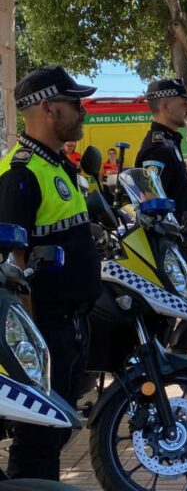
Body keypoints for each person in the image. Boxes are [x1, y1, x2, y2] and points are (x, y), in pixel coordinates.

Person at [0, 66, 102, 480]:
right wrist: (34, 343)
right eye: (75, 103)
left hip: (72, 324)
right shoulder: (21, 173)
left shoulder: (58, 165)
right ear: (47, 107)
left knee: (55, 432)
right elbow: (13, 267)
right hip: (48, 328)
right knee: (37, 443)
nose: (83, 111)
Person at [134, 78, 187, 219]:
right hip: (173, 232)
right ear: (165, 107)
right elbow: (152, 204)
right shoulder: (159, 148)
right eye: (185, 104)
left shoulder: (169, 142)